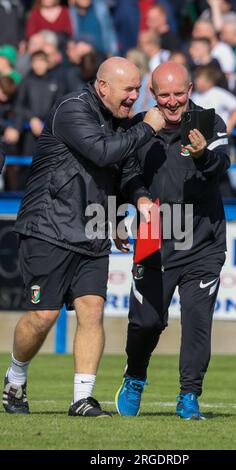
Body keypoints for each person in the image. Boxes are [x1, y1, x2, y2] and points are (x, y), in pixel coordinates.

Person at [2, 56, 165, 417]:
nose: (135, 97)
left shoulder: (118, 120)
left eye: (139, 89)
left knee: (92, 311)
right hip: (49, 227)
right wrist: (148, 128)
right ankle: (15, 379)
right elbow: (104, 151)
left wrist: (135, 202)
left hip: (92, 231)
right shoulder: (72, 109)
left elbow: (123, 172)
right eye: (129, 89)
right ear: (103, 86)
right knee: (43, 316)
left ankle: (82, 398)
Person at [115, 61, 230, 420]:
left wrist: (203, 155)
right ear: (152, 94)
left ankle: (189, 396)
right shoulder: (139, 127)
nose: (172, 101)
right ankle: (135, 376)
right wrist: (135, 202)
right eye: (164, 95)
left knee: (197, 322)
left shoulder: (210, 122)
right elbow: (127, 174)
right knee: (146, 322)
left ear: (191, 90)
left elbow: (222, 167)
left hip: (204, 242)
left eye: (179, 93)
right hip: (154, 238)